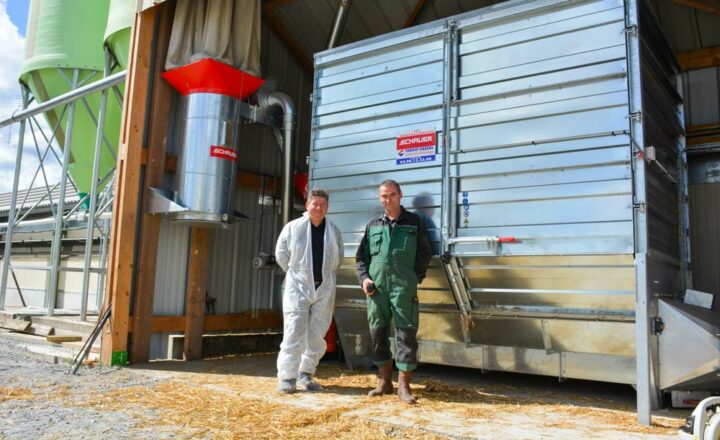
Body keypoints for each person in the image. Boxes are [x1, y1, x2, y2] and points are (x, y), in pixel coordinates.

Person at [355, 180, 432, 404]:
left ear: (400, 195)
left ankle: (404, 386)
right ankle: (384, 382)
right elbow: (361, 258)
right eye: (384, 196)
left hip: (403, 288)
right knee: (377, 335)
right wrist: (364, 279)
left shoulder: (414, 222)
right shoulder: (373, 224)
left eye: (392, 195)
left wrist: (413, 277)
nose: (388, 199)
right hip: (376, 290)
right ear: (380, 199)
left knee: (405, 336)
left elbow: (425, 253)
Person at [275, 189, 344, 394]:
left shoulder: (333, 231)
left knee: (317, 333)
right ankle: (287, 377)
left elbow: (338, 258)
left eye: (322, 204)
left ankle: (306, 374)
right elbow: (281, 254)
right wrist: (298, 274)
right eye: (315, 204)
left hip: (323, 286)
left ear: (327, 208)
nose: (318, 207)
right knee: (294, 330)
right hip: (298, 286)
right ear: (307, 206)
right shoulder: (293, 228)